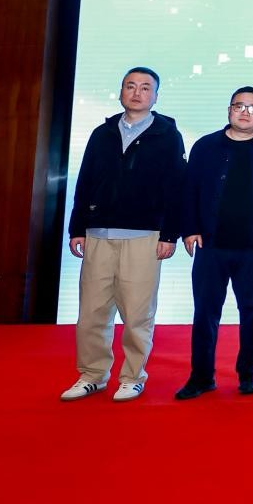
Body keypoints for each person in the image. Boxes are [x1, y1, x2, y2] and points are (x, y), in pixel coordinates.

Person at [61, 67, 185, 402]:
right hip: (98, 232)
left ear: (155, 96)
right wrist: (77, 228)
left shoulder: (167, 135)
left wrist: (170, 234)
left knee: (137, 314)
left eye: (145, 88)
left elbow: (176, 187)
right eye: (130, 86)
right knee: (92, 312)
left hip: (144, 236)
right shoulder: (102, 133)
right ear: (121, 92)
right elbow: (86, 180)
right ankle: (92, 375)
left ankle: (132, 377)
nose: (137, 92)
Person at [175, 86, 253, 400]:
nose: (245, 113)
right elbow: (188, 189)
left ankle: (249, 375)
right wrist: (189, 229)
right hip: (211, 245)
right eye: (239, 106)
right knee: (206, 313)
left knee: (252, 312)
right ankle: (201, 376)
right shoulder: (205, 146)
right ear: (229, 110)